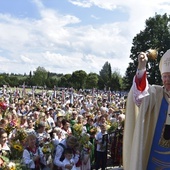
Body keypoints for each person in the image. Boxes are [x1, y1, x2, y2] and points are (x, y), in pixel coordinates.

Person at [123, 49, 170, 170]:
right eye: (165, 76)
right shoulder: (156, 94)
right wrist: (141, 68)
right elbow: (140, 95)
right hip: (153, 158)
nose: (167, 80)